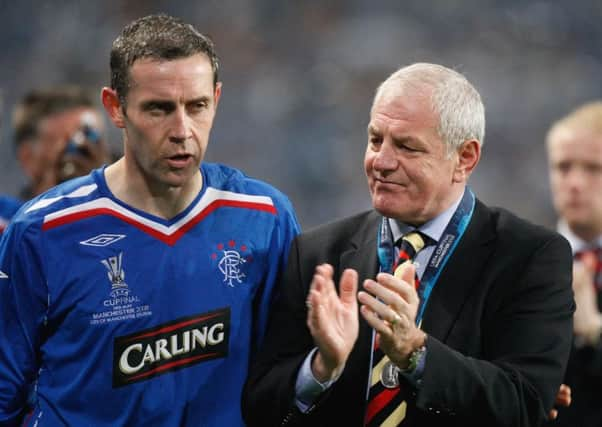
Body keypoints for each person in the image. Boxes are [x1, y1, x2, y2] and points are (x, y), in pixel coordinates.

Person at [0, 14, 299, 427]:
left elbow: (284, 372)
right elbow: (4, 390)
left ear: (217, 98)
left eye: (197, 106)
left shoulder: (265, 219)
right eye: (158, 109)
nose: (182, 130)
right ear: (115, 108)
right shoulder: (41, 232)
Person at [243, 63, 574, 427]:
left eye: (407, 147)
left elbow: (524, 404)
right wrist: (321, 368)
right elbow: (260, 405)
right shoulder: (315, 255)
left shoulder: (530, 257)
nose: (381, 162)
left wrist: (416, 353)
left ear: (464, 158)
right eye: (375, 140)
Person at [545, 101, 602, 427]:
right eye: (564, 167)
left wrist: (594, 332)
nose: (575, 183)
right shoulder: (518, 262)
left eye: (594, 168)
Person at [11, 85, 113, 201]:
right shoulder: (12, 217)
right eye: (68, 146)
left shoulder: (132, 206)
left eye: (93, 139)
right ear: (28, 158)